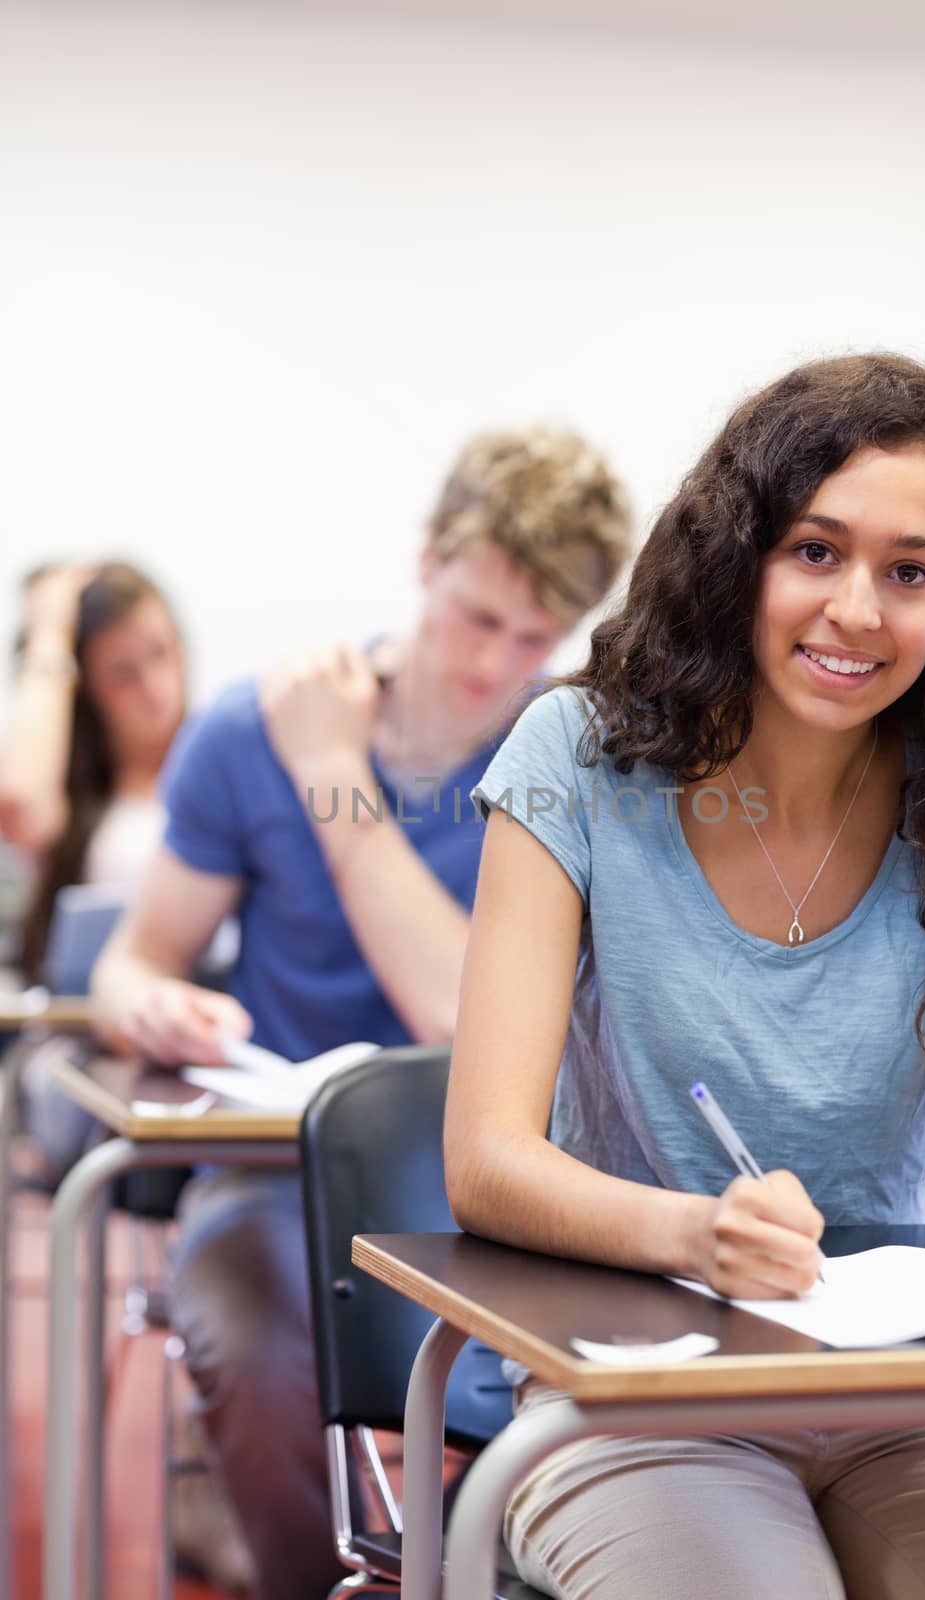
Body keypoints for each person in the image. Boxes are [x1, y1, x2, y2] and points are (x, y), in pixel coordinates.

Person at [445, 356, 925, 1600]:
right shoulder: (576, 754)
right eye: (814, 550)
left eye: (909, 572)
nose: (855, 611)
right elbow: (485, 1157)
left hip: (901, 1389)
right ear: (739, 553)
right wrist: (696, 1234)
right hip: (634, 1386)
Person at [91, 425, 632, 1599]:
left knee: (581, 1381)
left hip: (492, 1173)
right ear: (425, 558)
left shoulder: (563, 755)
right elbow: (132, 959)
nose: (494, 663)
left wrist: (334, 777)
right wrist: (158, 1007)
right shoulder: (247, 732)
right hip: (274, 1169)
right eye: (473, 617)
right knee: (253, 1338)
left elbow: (451, 1007)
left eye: (533, 636)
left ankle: (444, 1564)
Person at [0, 561, 187, 1171]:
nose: (155, 685)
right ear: (86, 689)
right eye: (122, 674)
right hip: (90, 1058)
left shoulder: (219, 762)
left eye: (162, 653)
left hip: (204, 1046)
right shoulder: (75, 802)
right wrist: (51, 632)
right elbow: (23, 802)